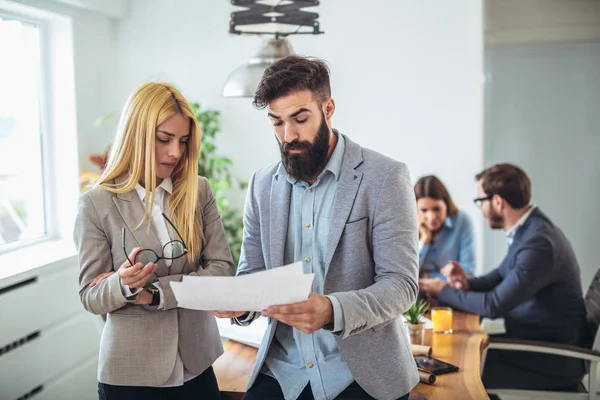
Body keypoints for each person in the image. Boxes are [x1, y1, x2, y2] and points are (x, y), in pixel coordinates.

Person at [213, 56, 419, 400]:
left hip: (361, 375)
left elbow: (401, 285)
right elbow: (254, 275)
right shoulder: (261, 185)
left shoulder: (385, 178)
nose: (288, 135)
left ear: (329, 108)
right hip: (283, 371)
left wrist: (332, 309)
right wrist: (241, 303)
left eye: (300, 118)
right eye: (276, 122)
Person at [73, 82, 235, 399]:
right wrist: (123, 284)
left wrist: (158, 293)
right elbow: (90, 296)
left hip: (197, 364)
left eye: (183, 141)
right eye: (164, 140)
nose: (175, 152)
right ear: (137, 135)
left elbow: (223, 270)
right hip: (132, 375)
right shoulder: (96, 204)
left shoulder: (198, 190)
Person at [419, 163, 591, 391]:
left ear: (497, 202)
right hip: (534, 344)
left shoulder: (538, 243)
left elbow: (493, 305)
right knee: (457, 359)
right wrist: (466, 283)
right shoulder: (530, 230)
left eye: (480, 201)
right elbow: (499, 276)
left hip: (550, 361)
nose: (480, 208)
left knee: (453, 376)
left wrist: (443, 290)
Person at [414, 175, 475, 280]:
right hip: (417, 294)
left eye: (436, 209)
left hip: (451, 292)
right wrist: (424, 241)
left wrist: (427, 279)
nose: (431, 217)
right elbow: (407, 274)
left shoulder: (462, 221)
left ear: (446, 204)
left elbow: (467, 272)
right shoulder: (408, 226)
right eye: (424, 210)